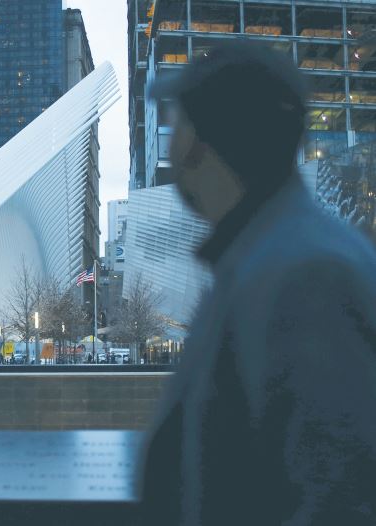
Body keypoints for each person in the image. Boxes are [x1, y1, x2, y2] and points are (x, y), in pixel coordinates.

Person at [139, 41, 376, 525]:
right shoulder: (264, 255)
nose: (171, 139)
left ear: (200, 142)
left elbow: (337, 499)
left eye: (179, 120)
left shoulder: (306, 277)